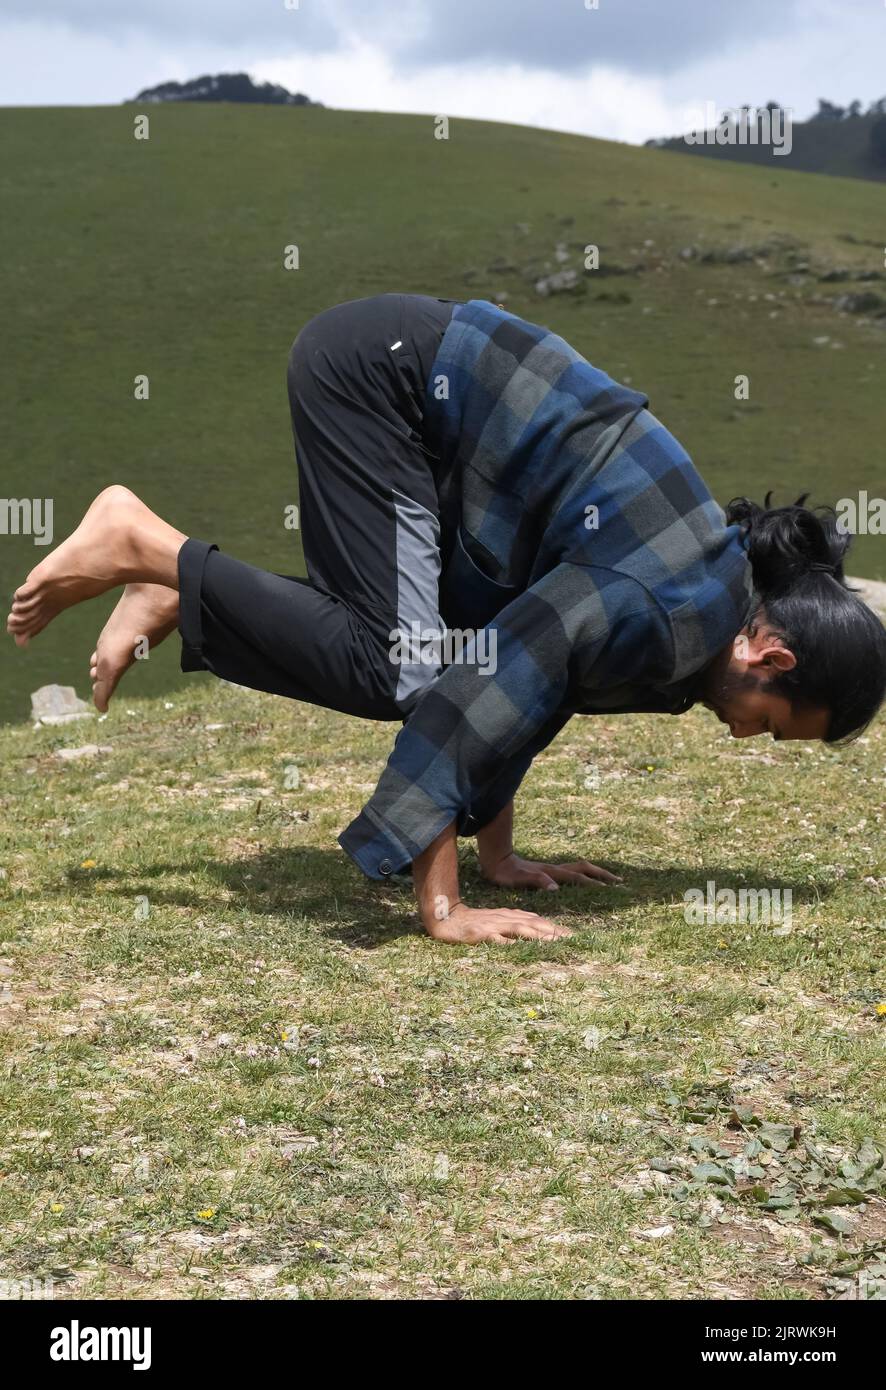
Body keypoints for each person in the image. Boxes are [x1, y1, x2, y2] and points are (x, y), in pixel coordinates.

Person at [7, 294, 886, 946]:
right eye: (774, 730)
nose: (746, 740)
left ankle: (178, 582)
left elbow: (543, 685)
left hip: (421, 403)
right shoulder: (670, 605)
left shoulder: (699, 601)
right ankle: (146, 544)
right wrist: (444, 904)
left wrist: (497, 853)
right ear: (771, 656)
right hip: (380, 378)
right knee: (400, 666)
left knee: (401, 652)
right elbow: (486, 682)